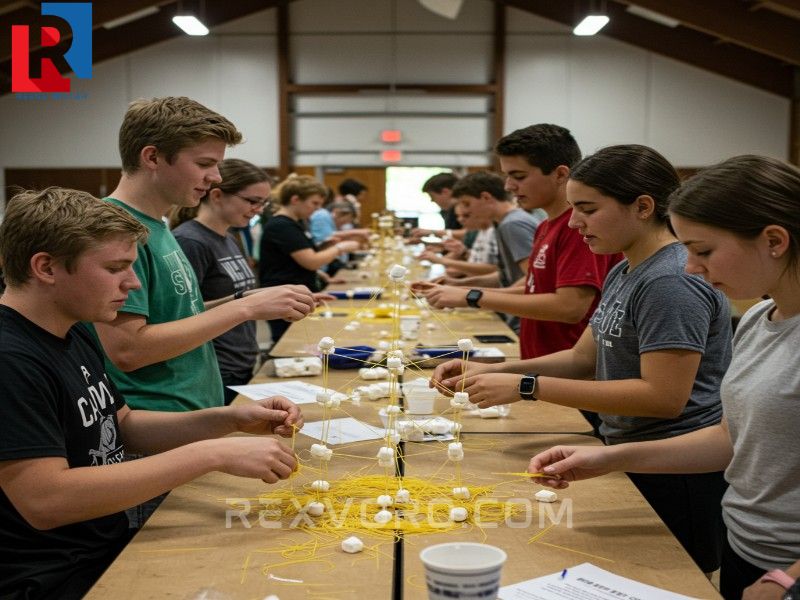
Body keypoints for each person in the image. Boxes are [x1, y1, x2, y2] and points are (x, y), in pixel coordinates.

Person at [433, 145, 732, 575]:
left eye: (587, 209)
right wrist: (494, 370)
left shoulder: (669, 282)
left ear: (643, 207)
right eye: (573, 209)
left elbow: (664, 396)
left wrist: (527, 388)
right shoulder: (625, 268)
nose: (574, 223)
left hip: (674, 468)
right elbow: (581, 358)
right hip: (629, 449)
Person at [0, 188, 302, 600]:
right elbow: (46, 500)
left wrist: (229, 420)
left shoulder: (73, 330)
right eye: (114, 268)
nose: (133, 282)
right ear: (46, 267)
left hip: (104, 543)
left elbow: (124, 424)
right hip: (53, 577)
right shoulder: (12, 359)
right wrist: (210, 454)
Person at [527, 155, 800, 600]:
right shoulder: (757, 319)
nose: (690, 266)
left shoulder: (677, 284)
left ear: (773, 240)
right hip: (747, 546)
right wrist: (610, 458)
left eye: (703, 251)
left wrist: (788, 580)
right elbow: (733, 439)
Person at [92, 97, 316, 415]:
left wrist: (248, 299)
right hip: (156, 421)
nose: (216, 177)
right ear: (152, 157)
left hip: (191, 414)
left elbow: (179, 317)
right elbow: (128, 349)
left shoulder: (159, 225)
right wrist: (245, 307)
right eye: (204, 164)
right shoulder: (114, 229)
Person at [422, 124, 621, 364]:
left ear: (560, 174)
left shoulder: (577, 228)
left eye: (519, 177)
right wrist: (462, 290)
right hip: (542, 365)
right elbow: (533, 288)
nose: (508, 186)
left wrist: (472, 296)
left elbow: (570, 307)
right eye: (507, 177)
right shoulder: (544, 226)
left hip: (569, 370)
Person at [170, 158, 271, 405]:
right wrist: (247, 302)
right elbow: (182, 314)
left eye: (263, 203)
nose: (258, 209)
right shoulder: (190, 241)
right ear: (216, 195)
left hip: (240, 361)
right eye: (252, 201)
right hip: (217, 367)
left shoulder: (229, 236)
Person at [259, 175, 360, 342]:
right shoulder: (282, 225)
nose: (318, 209)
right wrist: (340, 248)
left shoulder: (296, 223)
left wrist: (322, 263)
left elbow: (293, 258)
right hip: (285, 300)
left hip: (297, 296)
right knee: (290, 343)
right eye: (314, 203)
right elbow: (311, 261)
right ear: (295, 199)